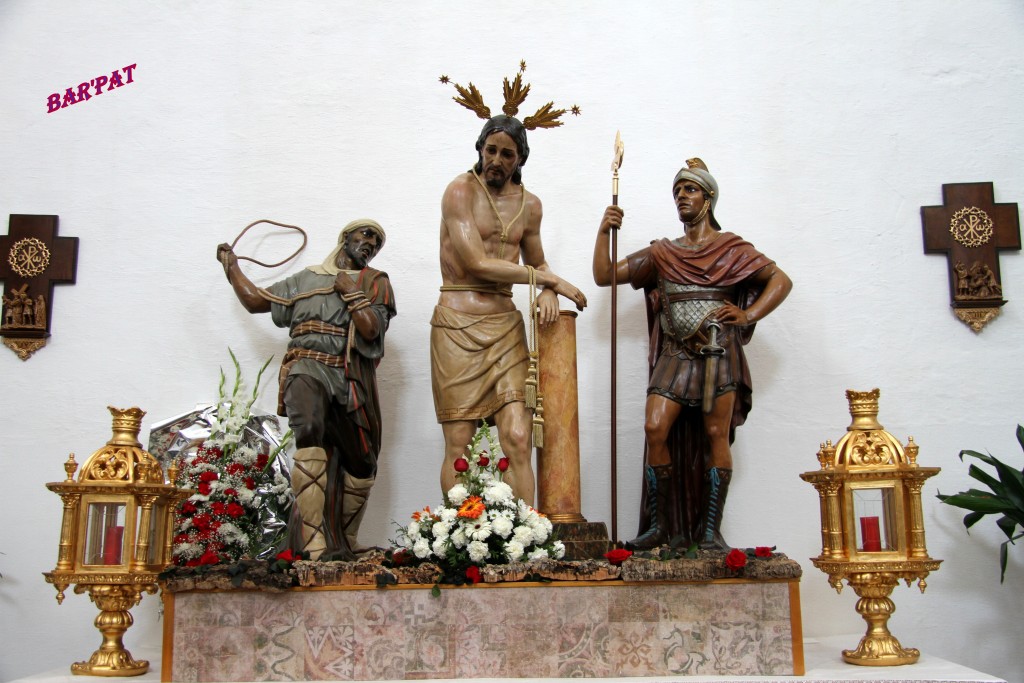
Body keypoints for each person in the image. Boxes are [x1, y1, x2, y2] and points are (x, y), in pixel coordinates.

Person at [593, 158, 791, 551]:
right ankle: (660, 526)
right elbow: (605, 275)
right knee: (654, 428)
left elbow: (780, 281)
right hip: (675, 352)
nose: (681, 196)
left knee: (716, 434)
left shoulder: (731, 249)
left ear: (709, 197)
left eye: (690, 189)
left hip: (719, 351)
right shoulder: (663, 253)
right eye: (677, 191)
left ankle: (710, 531)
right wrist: (604, 231)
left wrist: (748, 314)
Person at [217, 219, 396, 560]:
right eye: (366, 234)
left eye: (377, 241)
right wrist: (232, 267)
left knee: (362, 462)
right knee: (310, 429)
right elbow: (255, 301)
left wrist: (352, 293)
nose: (371, 243)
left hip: (349, 377)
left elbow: (371, 330)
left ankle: (345, 538)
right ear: (346, 237)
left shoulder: (375, 282)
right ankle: (314, 542)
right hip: (306, 366)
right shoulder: (306, 279)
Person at [433, 115, 587, 506]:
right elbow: (476, 263)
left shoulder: (530, 206)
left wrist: (546, 289)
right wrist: (550, 281)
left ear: (520, 159)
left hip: (504, 326)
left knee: (518, 437)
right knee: (459, 441)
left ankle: (523, 530)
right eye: (491, 150)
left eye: (507, 154)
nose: (496, 160)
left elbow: (538, 260)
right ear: (480, 148)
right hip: (457, 325)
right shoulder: (459, 192)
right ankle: (457, 531)